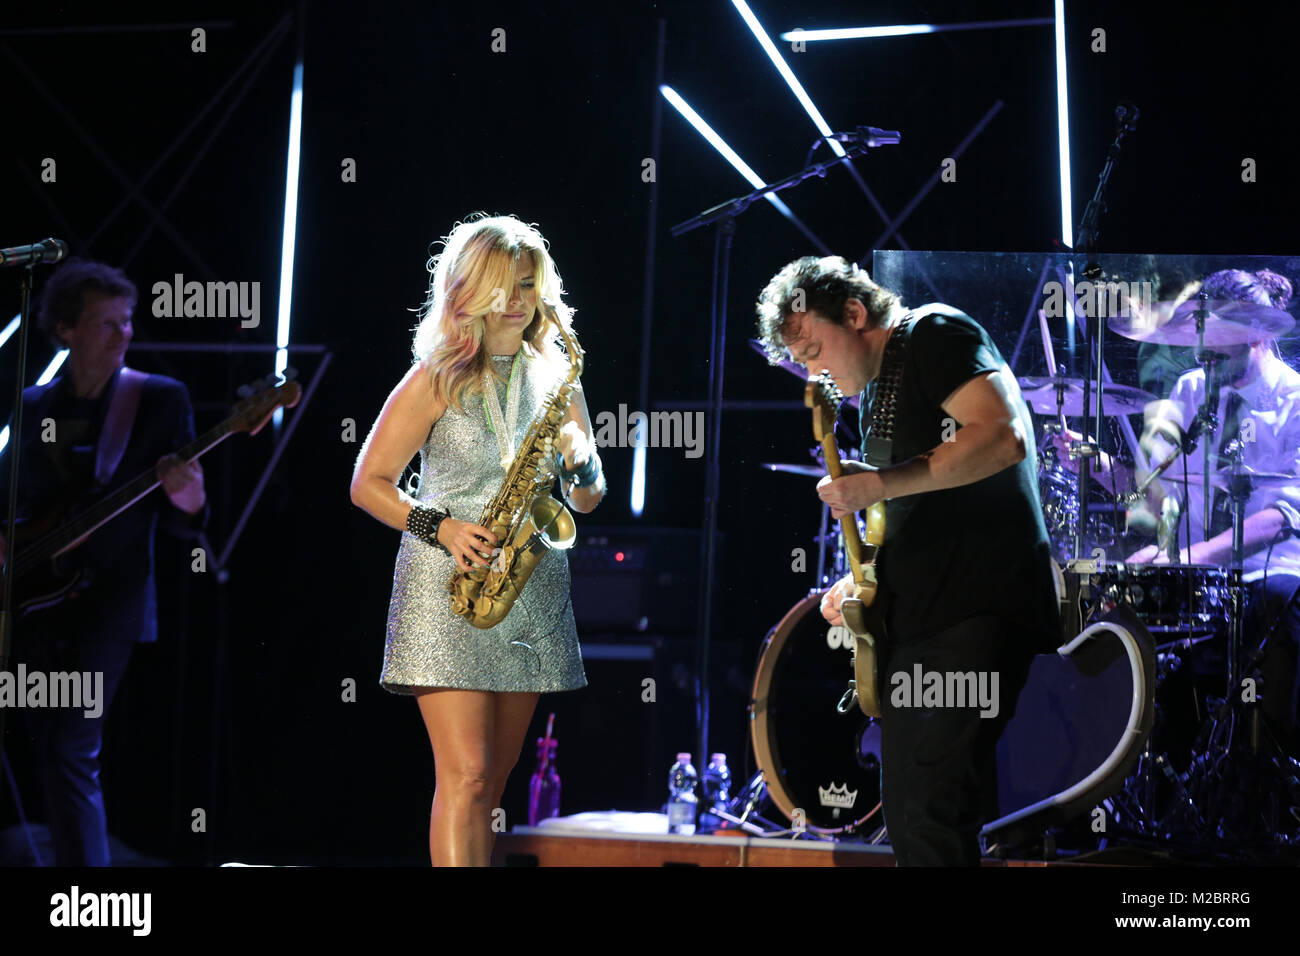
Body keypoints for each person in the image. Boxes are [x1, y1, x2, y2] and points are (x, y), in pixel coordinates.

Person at [755, 255, 1060, 866]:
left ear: (854, 312)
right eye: (803, 360)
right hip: (928, 618)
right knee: (920, 814)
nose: (816, 370)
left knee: (926, 815)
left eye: (815, 346)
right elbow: (913, 512)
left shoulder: (936, 332)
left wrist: (881, 484)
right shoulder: (875, 396)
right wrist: (858, 582)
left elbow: (1004, 436)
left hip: (976, 608)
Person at [350, 214, 604, 867]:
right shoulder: (436, 374)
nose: (518, 302)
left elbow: (586, 497)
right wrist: (442, 526)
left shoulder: (558, 373)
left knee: (493, 781)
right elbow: (368, 482)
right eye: (504, 287)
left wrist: (582, 461)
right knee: (463, 775)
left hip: (529, 583)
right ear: (469, 290)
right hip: (448, 580)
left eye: (528, 285)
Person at [1, 257, 208, 866]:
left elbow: (186, 521)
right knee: (47, 747)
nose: (123, 334)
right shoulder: (36, 405)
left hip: (109, 601)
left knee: (71, 744)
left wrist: (191, 499)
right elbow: (12, 494)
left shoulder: (157, 400)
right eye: (105, 323)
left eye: (128, 322)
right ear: (65, 328)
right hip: (36, 598)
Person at [1127, 268, 1300, 761]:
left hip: (1274, 573)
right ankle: (1159, 779)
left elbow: (1283, 516)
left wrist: (1189, 556)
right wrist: (1101, 471)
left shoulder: (1295, 400)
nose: (1206, 347)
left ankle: (1263, 782)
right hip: (1200, 574)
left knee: (1275, 598)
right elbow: (1166, 496)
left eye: (1221, 335)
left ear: (1260, 333)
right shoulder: (1191, 388)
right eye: (1203, 332)